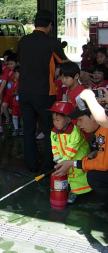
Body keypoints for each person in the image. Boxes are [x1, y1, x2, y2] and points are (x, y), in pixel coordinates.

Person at [17, 9, 68, 173]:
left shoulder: (23, 41)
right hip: (44, 93)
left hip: (24, 91)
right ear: (50, 25)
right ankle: (47, 166)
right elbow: (65, 63)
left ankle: (31, 164)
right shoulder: (51, 43)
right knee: (49, 130)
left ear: (34, 24)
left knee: (29, 129)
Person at [54, 89, 108, 222]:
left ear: (94, 117)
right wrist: (98, 152)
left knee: (95, 176)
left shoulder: (105, 129)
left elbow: (103, 164)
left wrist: (89, 97)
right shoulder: (100, 131)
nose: (78, 124)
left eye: (81, 120)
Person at [48, 101, 91, 203]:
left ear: (69, 119)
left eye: (58, 120)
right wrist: (57, 157)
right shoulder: (54, 131)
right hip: (65, 158)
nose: (55, 123)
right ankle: (69, 187)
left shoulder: (75, 132)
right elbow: (54, 146)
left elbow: (71, 149)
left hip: (78, 156)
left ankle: (75, 191)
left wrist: (63, 161)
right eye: (53, 119)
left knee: (77, 174)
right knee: (67, 172)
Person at [0, 53, 19, 126]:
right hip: (8, 94)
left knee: (17, 110)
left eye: (11, 64)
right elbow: (4, 81)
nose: (9, 66)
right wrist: (0, 93)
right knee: (4, 105)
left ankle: (18, 124)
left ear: (17, 63)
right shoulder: (8, 71)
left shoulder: (19, 71)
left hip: (16, 95)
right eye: (8, 64)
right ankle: (8, 118)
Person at [11, 66, 23, 136]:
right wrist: (15, 93)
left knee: (22, 117)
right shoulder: (14, 83)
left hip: (22, 103)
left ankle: (23, 129)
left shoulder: (24, 83)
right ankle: (16, 128)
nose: (15, 75)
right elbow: (11, 92)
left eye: (16, 73)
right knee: (15, 116)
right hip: (15, 103)